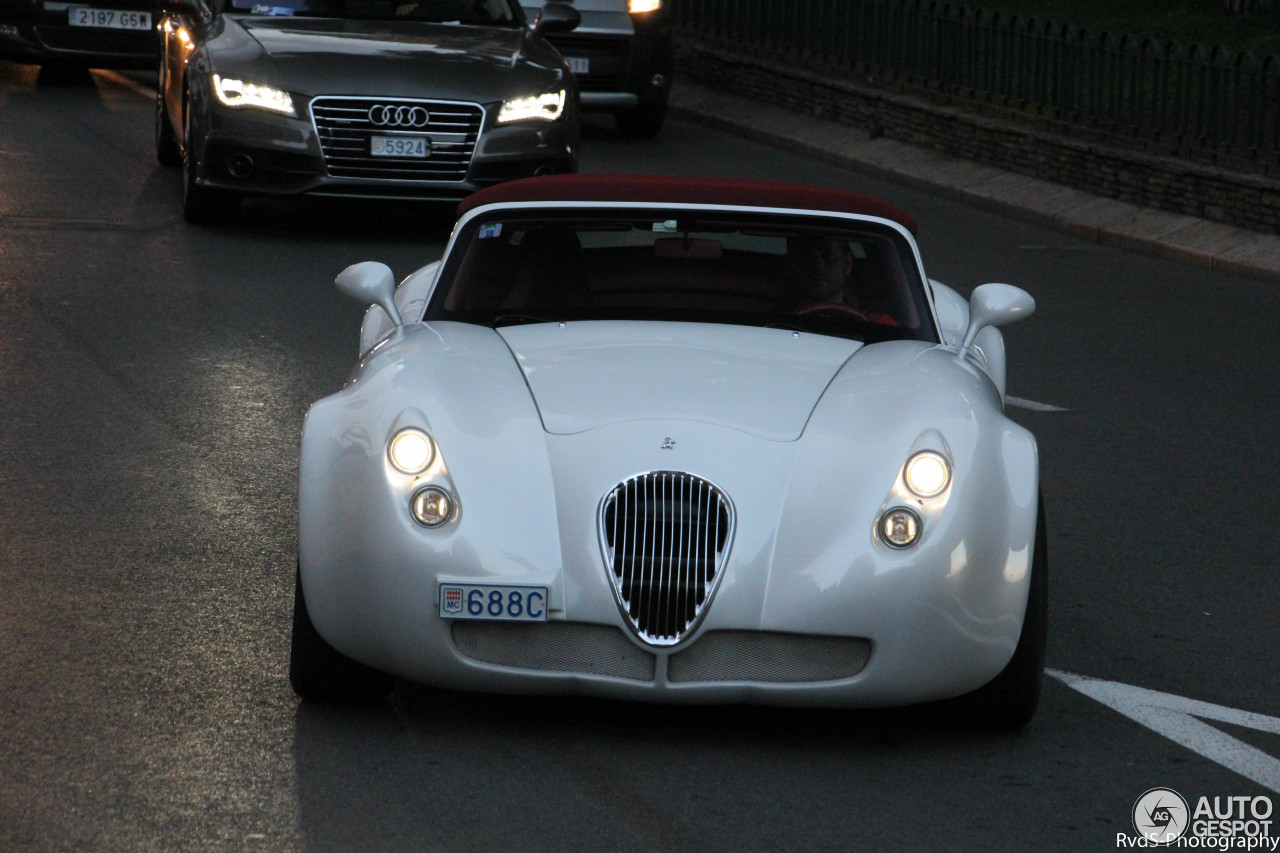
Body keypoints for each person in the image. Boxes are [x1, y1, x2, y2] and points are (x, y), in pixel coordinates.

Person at [780, 235, 897, 326]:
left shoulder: (879, 325)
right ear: (790, 265)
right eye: (806, 257)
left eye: (828, 256)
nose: (818, 266)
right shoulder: (768, 324)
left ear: (847, 264)